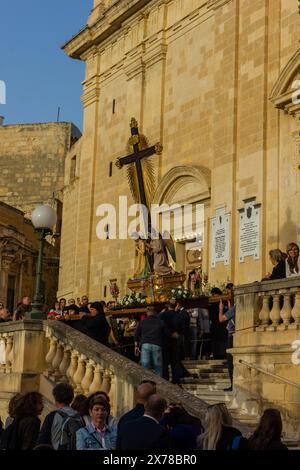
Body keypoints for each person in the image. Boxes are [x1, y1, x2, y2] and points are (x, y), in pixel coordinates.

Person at [37, 382, 83, 450]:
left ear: (55, 398)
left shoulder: (52, 416)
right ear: (71, 398)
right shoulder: (78, 416)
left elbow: (42, 441)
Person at [134, 306, 164, 376]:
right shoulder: (160, 322)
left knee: (145, 366)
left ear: (147, 313)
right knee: (158, 367)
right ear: (155, 313)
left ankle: (146, 383)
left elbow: (136, 334)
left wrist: (136, 346)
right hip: (157, 344)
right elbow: (166, 332)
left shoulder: (142, 322)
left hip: (145, 344)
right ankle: (159, 384)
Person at [219, 297, 236, 392]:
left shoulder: (236, 307)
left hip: (232, 335)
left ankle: (233, 384)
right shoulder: (235, 307)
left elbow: (221, 319)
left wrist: (221, 309)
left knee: (230, 362)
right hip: (237, 335)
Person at [209, 288, 227, 359]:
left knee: (221, 342)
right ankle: (216, 354)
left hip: (221, 326)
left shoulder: (222, 302)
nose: (213, 296)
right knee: (216, 342)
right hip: (215, 326)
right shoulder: (212, 304)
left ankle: (220, 354)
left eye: (214, 294)